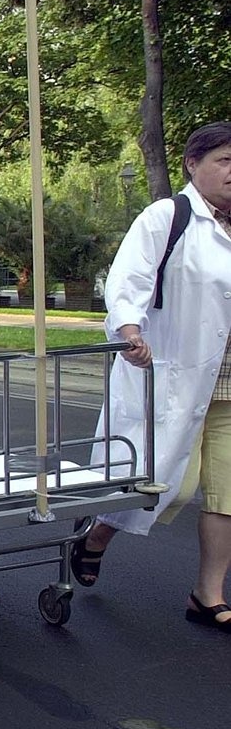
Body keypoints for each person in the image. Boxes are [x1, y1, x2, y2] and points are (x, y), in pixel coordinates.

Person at [74, 122, 231, 633]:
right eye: (225, 161)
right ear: (193, 164)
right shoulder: (169, 217)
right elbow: (129, 279)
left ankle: (207, 594)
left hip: (228, 386)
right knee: (160, 482)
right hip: (177, 376)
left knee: (227, 493)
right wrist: (129, 329)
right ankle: (96, 534)